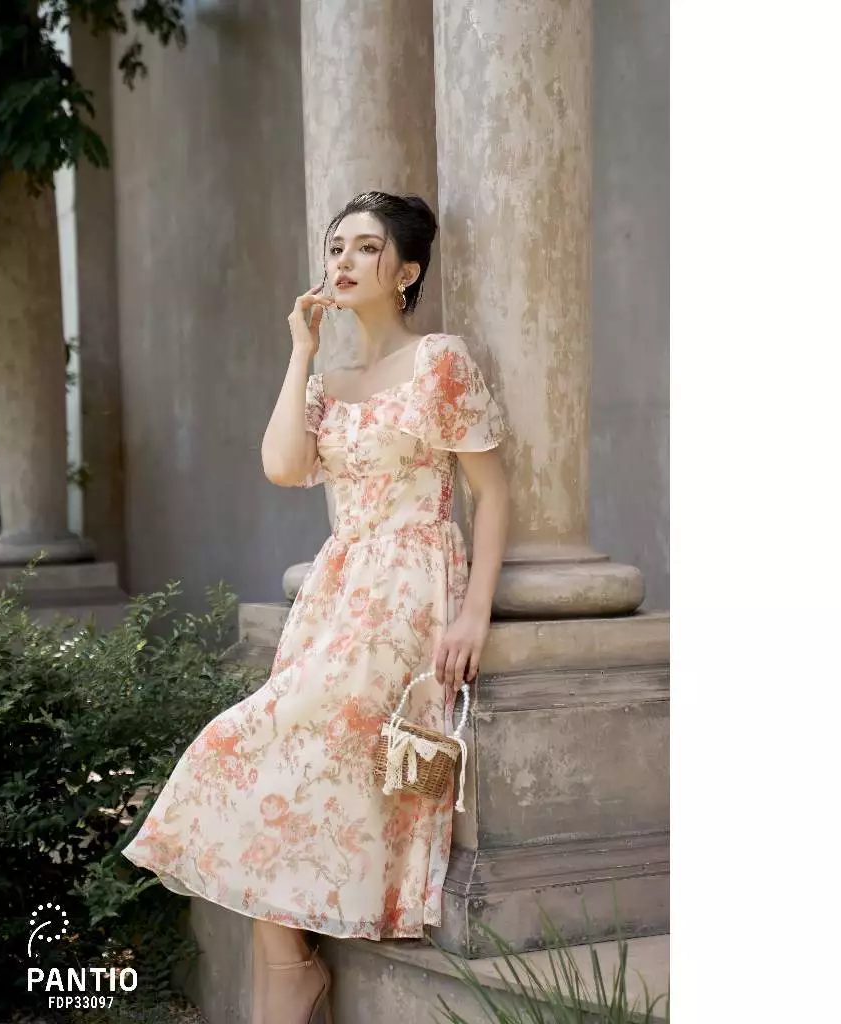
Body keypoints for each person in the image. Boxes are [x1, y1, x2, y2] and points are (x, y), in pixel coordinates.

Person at [121, 191, 510, 1024]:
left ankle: (286, 977)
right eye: (336, 246)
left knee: (279, 735)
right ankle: (284, 963)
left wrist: (474, 611)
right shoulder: (328, 383)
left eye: (366, 247)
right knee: (265, 744)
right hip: (338, 591)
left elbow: (493, 492)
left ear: (406, 271)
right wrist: (301, 350)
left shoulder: (440, 360)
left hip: (409, 585)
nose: (343, 260)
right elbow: (282, 466)